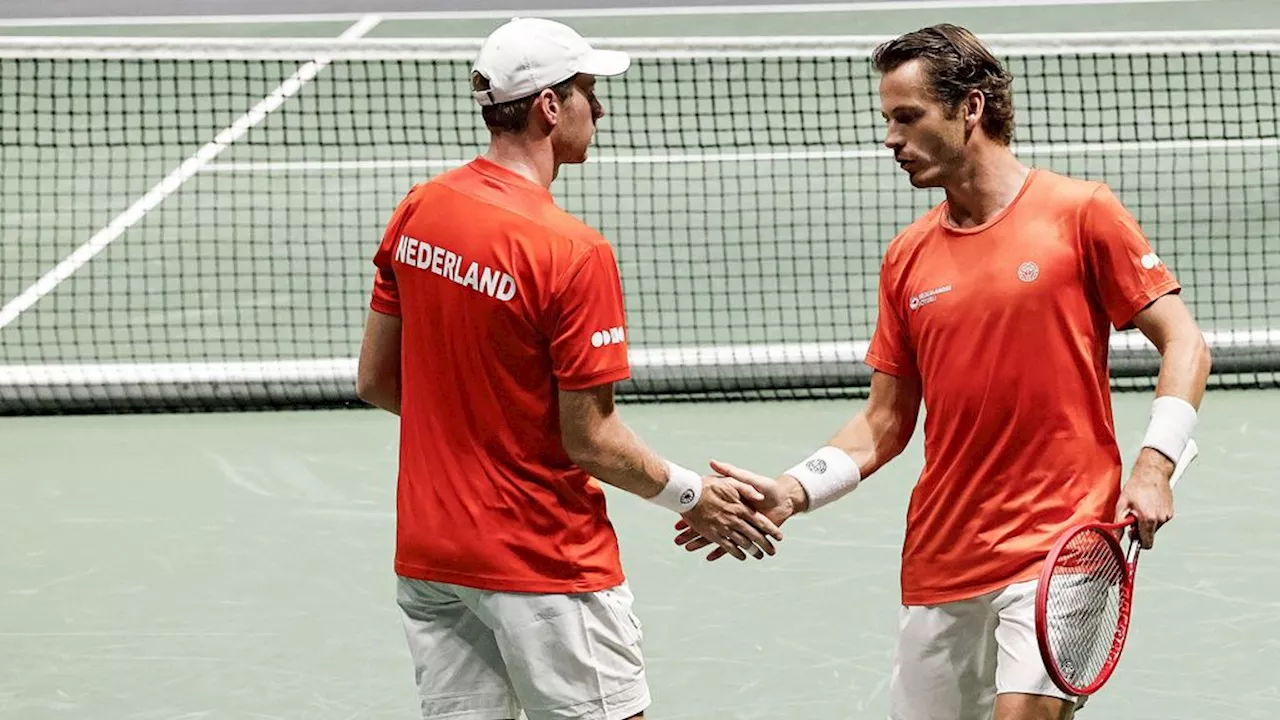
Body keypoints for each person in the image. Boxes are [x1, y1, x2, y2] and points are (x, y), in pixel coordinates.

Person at [675, 23, 1212, 720]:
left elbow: (1185, 342)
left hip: (1062, 544)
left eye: (908, 117)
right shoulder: (907, 257)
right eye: (887, 121)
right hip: (943, 553)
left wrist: (1156, 463)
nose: (890, 140)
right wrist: (792, 490)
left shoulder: (1080, 214)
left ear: (971, 108)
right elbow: (884, 421)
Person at [355, 17, 782, 720]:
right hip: (540, 559)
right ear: (550, 106)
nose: (600, 107)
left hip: (431, 554)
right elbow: (590, 439)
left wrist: (481, 428)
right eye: (586, 90)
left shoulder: (421, 209)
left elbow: (376, 380)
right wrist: (692, 496)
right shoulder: (571, 252)